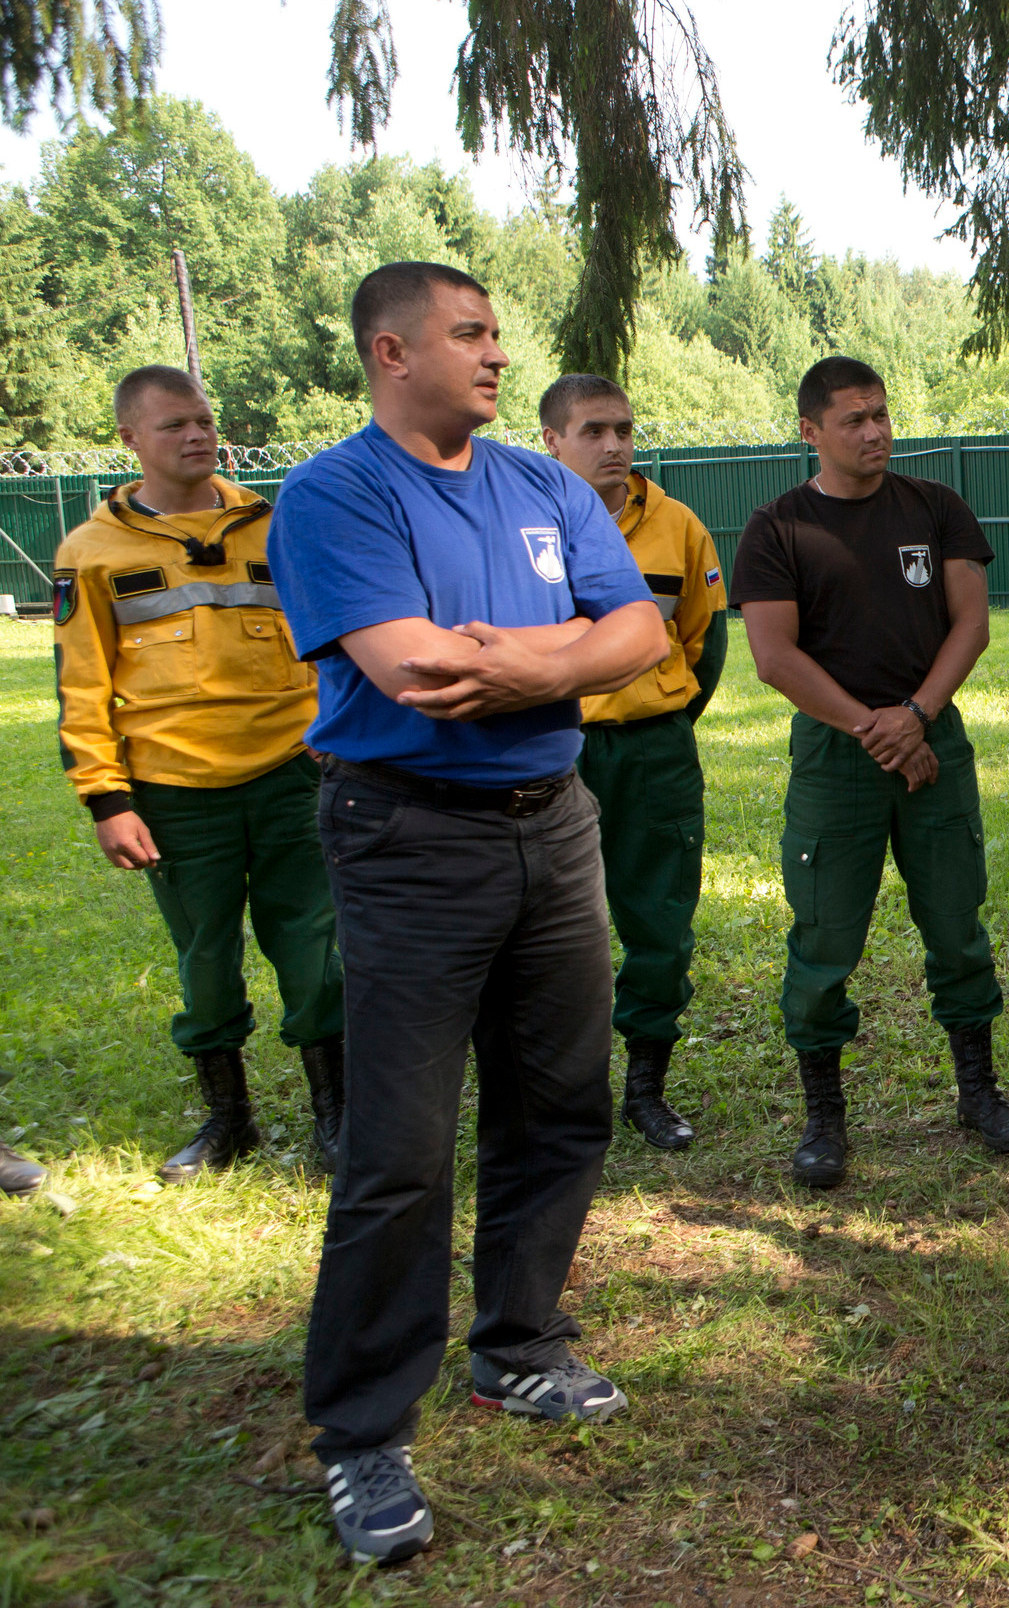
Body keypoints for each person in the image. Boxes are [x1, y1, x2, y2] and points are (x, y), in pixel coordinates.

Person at [268, 261, 667, 1563]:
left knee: (561, 1103)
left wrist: (512, 654)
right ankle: (365, 1433)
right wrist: (556, 652)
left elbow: (644, 634)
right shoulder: (339, 491)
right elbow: (410, 668)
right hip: (407, 836)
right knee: (400, 1146)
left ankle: (519, 1347)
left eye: (498, 332)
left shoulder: (546, 481)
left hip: (555, 824)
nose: (497, 354)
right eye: (470, 334)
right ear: (392, 350)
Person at [733, 355, 1009, 1187]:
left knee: (957, 923)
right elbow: (772, 656)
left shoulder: (935, 508)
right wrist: (876, 728)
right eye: (854, 419)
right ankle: (824, 1116)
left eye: (881, 414)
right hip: (839, 754)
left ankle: (979, 1092)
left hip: (933, 740)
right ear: (810, 431)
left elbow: (968, 625)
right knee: (824, 938)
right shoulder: (779, 527)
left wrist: (919, 717)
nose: (874, 432)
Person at [51, 365, 343, 1184]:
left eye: (205, 420)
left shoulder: (274, 527)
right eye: (175, 423)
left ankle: (337, 1115)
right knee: (205, 962)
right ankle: (229, 1117)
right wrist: (107, 799)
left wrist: (331, 725)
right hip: (173, 791)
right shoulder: (92, 552)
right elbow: (81, 684)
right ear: (130, 438)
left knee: (315, 949)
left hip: (289, 774)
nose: (196, 435)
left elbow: (328, 633)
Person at [542, 373, 729, 1151]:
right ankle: (562, 1096)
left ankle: (646, 1090)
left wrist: (661, 715)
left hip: (654, 752)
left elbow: (703, 644)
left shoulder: (679, 526)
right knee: (549, 930)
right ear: (552, 440)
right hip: (552, 751)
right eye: (594, 430)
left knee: (659, 922)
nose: (614, 444)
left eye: (622, 428)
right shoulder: (525, 525)